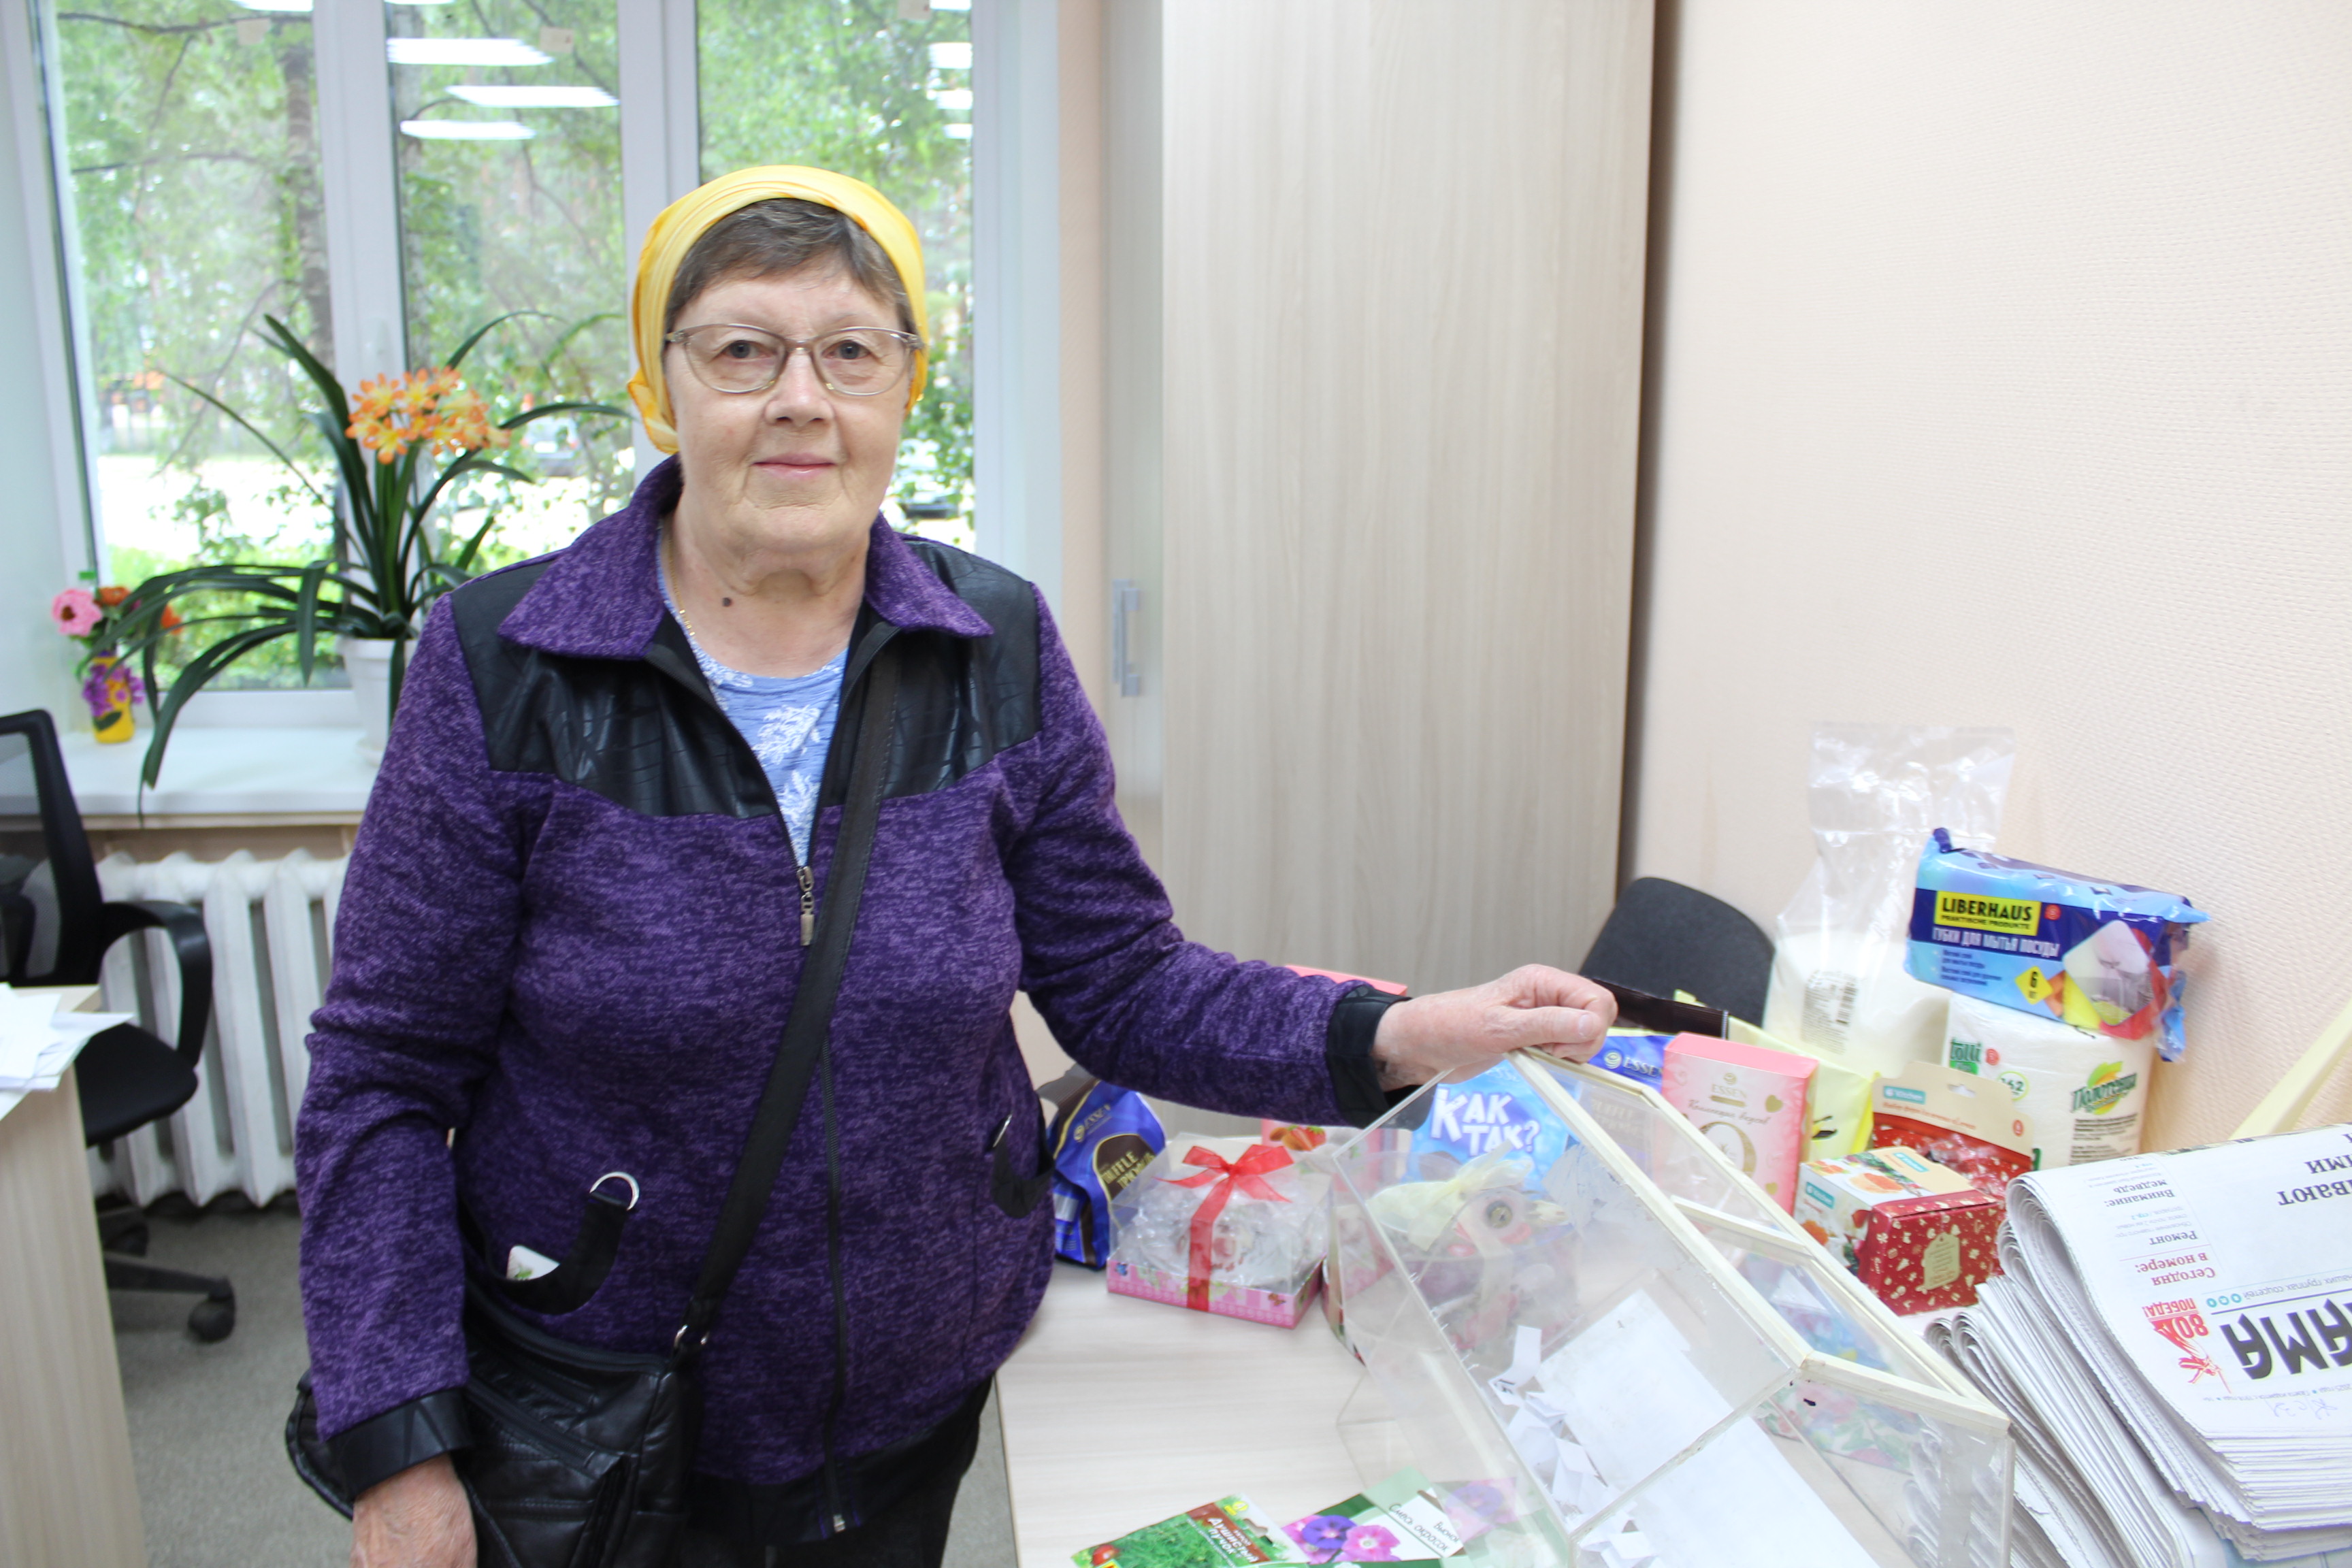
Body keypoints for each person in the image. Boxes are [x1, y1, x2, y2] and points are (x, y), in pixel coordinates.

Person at [295, 166, 1618, 1568]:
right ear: (660, 386)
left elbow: (1122, 981)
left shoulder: (992, 644)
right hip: (599, 1403)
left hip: (911, 1391)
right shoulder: (505, 664)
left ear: (906, 387)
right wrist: (399, 1449)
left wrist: (1400, 1035)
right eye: (742, 350)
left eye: (850, 351)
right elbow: (383, 1075)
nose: (801, 398)